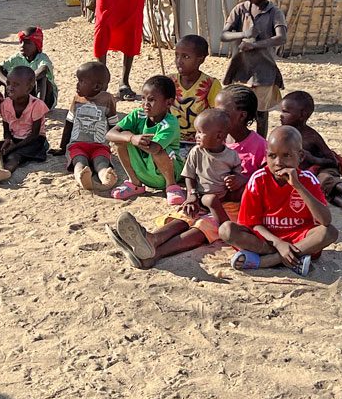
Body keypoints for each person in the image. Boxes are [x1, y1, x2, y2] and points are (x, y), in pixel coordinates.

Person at [107, 109, 245, 269]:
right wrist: (191, 195)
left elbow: (238, 177)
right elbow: (189, 176)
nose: (196, 136)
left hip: (224, 207)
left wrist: (236, 179)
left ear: (219, 137)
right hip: (199, 200)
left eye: (201, 133)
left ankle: (154, 255)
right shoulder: (196, 152)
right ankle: (152, 238)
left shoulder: (231, 156)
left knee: (202, 227)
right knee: (183, 218)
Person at [221, 126, 339, 276]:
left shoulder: (308, 180)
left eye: (286, 155)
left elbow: (326, 220)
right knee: (226, 230)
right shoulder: (258, 179)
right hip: (267, 240)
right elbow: (253, 224)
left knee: (329, 232)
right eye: (272, 156)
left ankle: (267, 261)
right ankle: (291, 257)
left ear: (301, 157)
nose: (278, 162)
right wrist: (279, 243)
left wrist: (298, 186)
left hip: (299, 239)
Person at [221, 0, 287, 138]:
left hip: (263, 72)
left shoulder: (274, 12)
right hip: (241, 71)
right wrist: (244, 34)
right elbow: (224, 35)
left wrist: (255, 44)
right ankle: (236, 143)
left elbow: (281, 37)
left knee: (260, 113)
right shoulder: (240, 9)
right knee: (236, 110)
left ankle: (261, 144)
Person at [275, 91, 342, 214]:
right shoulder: (281, 134)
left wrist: (313, 159)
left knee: (324, 180)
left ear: (302, 115)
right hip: (300, 175)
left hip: (321, 169)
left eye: (286, 112)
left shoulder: (311, 135)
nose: (281, 115)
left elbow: (332, 160)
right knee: (316, 191)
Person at [106, 75, 184, 204]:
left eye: (152, 100)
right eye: (143, 98)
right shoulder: (138, 114)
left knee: (159, 150)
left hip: (167, 173)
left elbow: (154, 148)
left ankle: (171, 187)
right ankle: (135, 183)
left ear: (168, 103)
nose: (145, 104)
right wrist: (131, 137)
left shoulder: (169, 123)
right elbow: (110, 134)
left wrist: (133, 139)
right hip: (143, 170)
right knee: (120, 140)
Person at [54, 61, 118, 191]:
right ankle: (82, 178)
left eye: (81, 81)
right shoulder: (77, 99)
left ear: (96, 86)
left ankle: (106, 178)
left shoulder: (108, 100)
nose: (77, 85)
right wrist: (62, 147)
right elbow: (69, 123)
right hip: (77, 144)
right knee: (79, 161)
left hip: (100, 145)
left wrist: (117, 144)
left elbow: (114, 125)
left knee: (101, 162)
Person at [0, 66, 50, 185]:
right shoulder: (5, 104)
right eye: (8, 83)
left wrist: (14, 147)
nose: (10, 88)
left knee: (14, 156)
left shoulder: (36, 105)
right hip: (15, 138)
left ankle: (6, 172)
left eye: (16, 85)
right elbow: (6, 128)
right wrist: (8, 139)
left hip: (34, 141)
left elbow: (34, 134)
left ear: (29, 88)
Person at [171, 34, 222, 153]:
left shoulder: (210, 84)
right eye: (177, 55)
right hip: (171, 138)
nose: (179, 61)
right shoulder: (169, 82)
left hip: (200, 142)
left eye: (185, 57)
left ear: (201, 59)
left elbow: (218, 116)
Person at [0, 26, 58, 108]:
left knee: (42, 78)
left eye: (27, 42)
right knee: (1, 75)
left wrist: (23, 82)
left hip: (46, 99)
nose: (22, 45)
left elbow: (43, 70)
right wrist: (6, 82)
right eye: (21, 42)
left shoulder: (42, 58)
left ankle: (38, 108)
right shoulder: (18, 57)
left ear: (37, 45)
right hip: (23, 93)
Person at [214, 84, 267, 175]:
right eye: (215, 111)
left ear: (242, 116)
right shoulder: (213, 138)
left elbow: (265, 181)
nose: (217, 116)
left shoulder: (261, 148)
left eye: (222, 113)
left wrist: (244, 181)